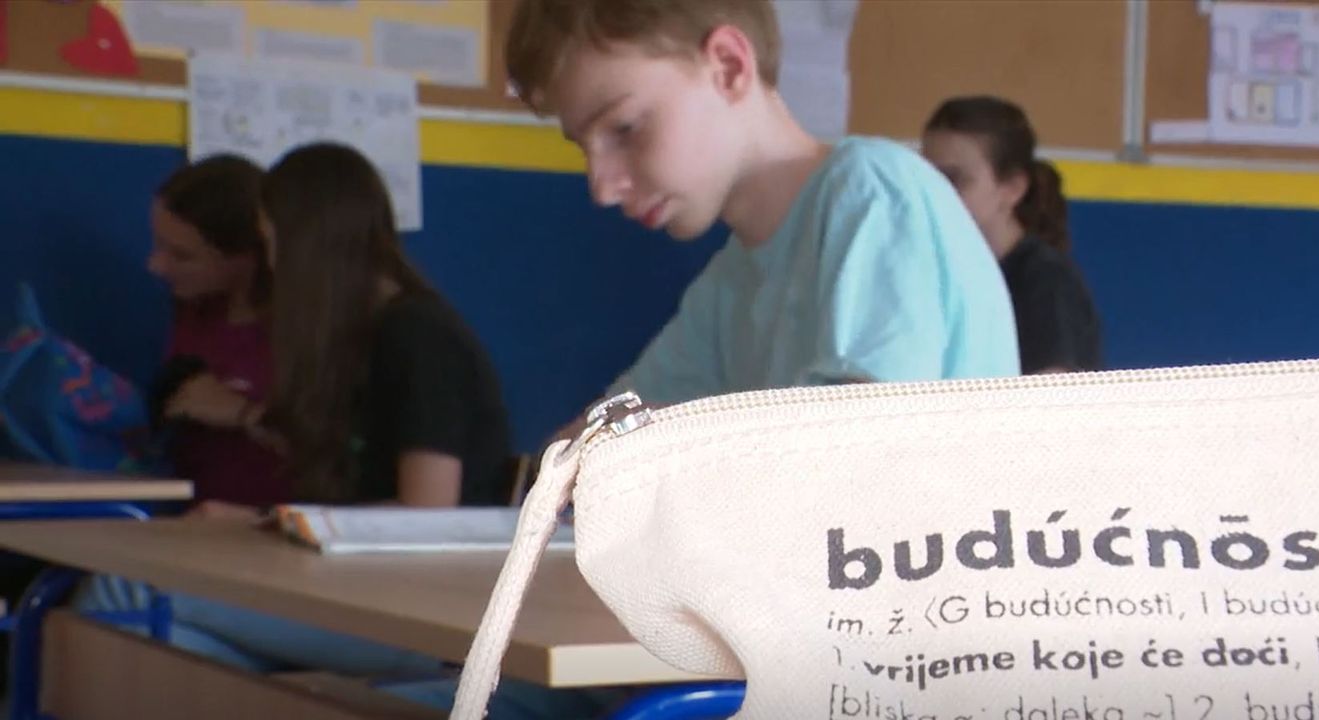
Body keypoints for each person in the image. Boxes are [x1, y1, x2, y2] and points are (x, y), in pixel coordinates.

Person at [77, 142, 515, 681]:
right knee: (157, 643)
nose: (271, 262)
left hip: (426, 613)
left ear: (308, 247)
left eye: (271, 242)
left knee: (127, 590)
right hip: (359, 588)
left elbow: (426, 513)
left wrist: (263, 524)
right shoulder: (359, 339)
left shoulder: (418, 336)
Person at [507, 0, 1018, 416]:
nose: (601, 188)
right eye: (584, 147)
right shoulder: (730, 281)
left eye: (624, 128)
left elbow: (855, 454)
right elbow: (612, 427)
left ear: (728, 67)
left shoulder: (872, 193)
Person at [922, 96, 1102, 374]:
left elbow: (1051, 391)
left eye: (954, 179)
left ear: (1012, 188)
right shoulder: (943, 271)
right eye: (925, 178)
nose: (935, 193)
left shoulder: (1047, 280)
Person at [146, 155, 286, 511]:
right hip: (190, 519)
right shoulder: (195, 308)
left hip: (264, 527)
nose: (156, 266)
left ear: (247, 257)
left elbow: (341, 455)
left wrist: (242, 413)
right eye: (158, 244)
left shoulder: (303, 330)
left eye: (182, 256)